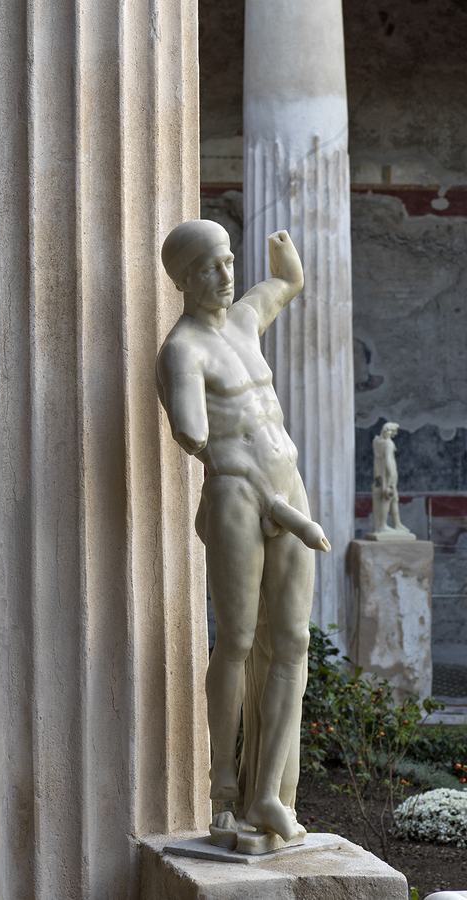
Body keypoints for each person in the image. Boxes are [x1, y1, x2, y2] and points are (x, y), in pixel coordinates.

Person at [156, 220, 331, 843]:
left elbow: (287, 282)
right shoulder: (182, 350)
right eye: (209, 268)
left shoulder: (244, 318)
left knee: (290, 643)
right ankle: (223, 781)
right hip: (235, 496)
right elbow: (192, 432)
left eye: (229, 261)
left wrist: (285, 256)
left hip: (287, 486)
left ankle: (268, 797)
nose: (226, 277)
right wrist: (188, 407)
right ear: (181, 280)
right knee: (235, 640)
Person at [371, 422, 410, 536]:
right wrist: (391, 476)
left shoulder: (377, 442)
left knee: (394, 498)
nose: (395, 434)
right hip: (388, 474)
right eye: (394, 432)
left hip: (381, 474)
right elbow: (388, 460)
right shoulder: (388, 444)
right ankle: (382, 525)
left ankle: (397, 523)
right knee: (387, 498)